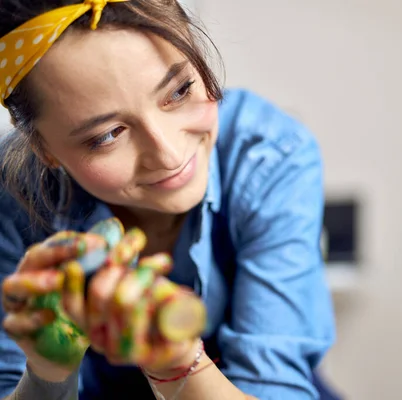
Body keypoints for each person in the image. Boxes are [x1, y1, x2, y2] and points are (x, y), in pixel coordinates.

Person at [0, 0, 336, 399]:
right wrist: (45, 375)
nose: (170, 155)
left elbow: (277, 388)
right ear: (43, 149)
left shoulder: (268, 155)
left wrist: (177, 365)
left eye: (179, 91)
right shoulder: (12, 196)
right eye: (107, 135)